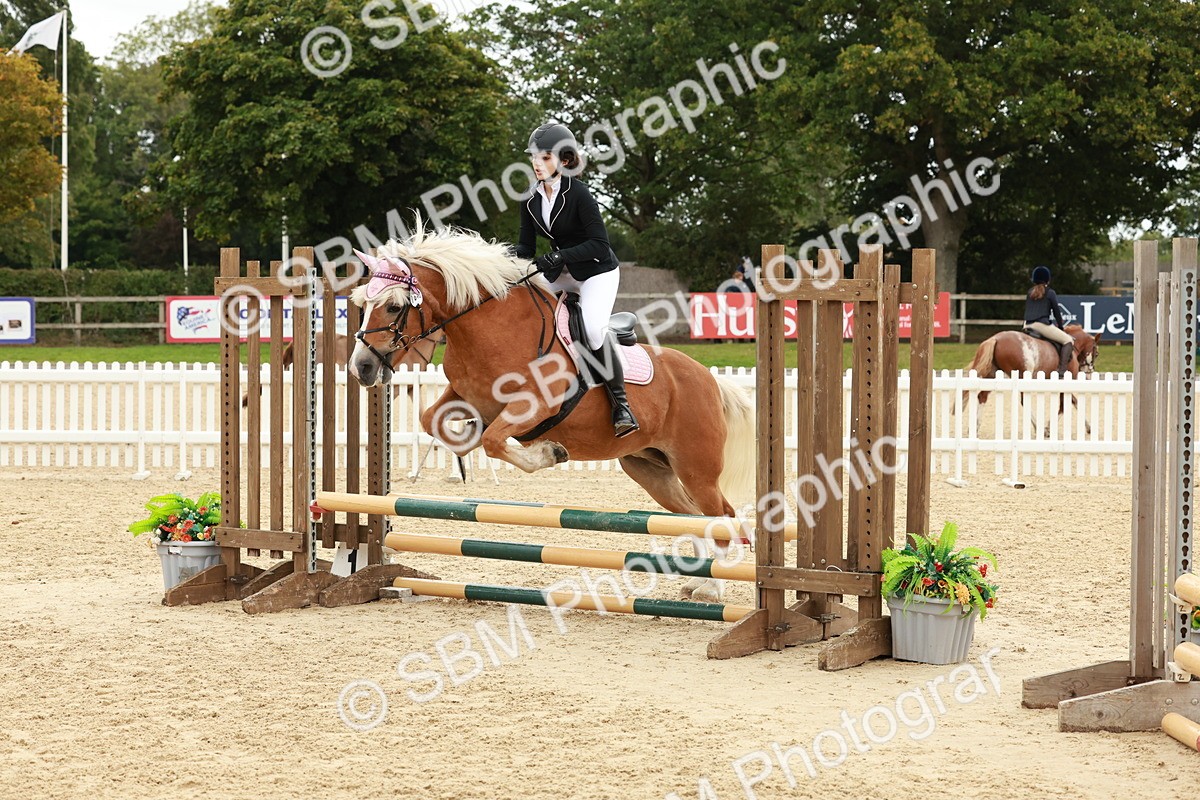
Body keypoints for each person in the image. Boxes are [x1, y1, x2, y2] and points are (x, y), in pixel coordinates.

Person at [516, 122, 638, 438]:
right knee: (523, 310)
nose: (536, 164)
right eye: (534, 157)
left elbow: (600, 244)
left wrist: (559, 256)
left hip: (597, 272)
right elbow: (525, 249)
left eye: (545, 158)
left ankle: (621, 406)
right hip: (563, 273)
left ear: (565, 161)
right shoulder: (529, 201)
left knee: (595, 330)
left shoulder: (580, 195)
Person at [1023, 265, 1073, 376]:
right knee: (1068, 341)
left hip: (1027, 324)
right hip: (1041, 325)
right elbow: (1056, 312)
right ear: (1048, 279)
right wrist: (1061, 328)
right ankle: (1062, 371)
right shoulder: (1050, 293)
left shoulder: (1030, 292)